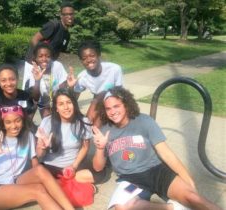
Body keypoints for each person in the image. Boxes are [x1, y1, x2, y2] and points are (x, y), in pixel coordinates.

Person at [92, 86, 222, 210]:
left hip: (156, 171)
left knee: (193, 198)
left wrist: (189, 182)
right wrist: (100, 147)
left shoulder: (144, 121)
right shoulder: (104, 131)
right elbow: (98, 167)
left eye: (116, 106)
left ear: (125, 104)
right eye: (108, 108)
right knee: (122, 207)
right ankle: (173, 208)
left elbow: (166, 154)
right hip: (130, 178)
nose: (113, 111)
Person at [0, 104, 74, 210]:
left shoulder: (28, 136)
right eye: (8, 122)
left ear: (23, 121)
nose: (14, 126)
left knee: (41, 171)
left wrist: (42, 148)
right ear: (2, 124)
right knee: (38, 191)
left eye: (17, 121)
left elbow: (36, 168)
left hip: (15, 181)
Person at [35, 88, 100, 184]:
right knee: (40, 176)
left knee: (100, 175)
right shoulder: (47, 122)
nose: (66, 107)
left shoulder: (84, 122)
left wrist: (74, 166)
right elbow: (38, 155)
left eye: (69, 102)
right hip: (50, 167)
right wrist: (42, 148)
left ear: (74, 104)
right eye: (61, 104)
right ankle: (64, 182)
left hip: (74, 166)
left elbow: (85, 147)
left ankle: (61, 183)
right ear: (56, 108)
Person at [0, 64, 38, 148]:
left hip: (11, 136)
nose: (8, 83)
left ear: (17, 79)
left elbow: (28, 119)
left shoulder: (24, 95)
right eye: (3, 80)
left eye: (12, 79)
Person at [67, 40, 124, 127]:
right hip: (97, 101)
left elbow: (119, 92)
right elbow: (73, 98)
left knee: (94, 124)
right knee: (89, 123)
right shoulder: (82, 76)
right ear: (81, 60)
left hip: (114, 99)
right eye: (84, 58)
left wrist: (99, 100)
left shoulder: (114, 69)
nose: (88, 60)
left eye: (92, 56)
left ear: (98, 55)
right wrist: (71, 87)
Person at [22, 43, 68, 118]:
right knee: (43, 120)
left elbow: (63, 87)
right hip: (41, 102)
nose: (44, 59)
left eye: (48, 56)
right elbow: (35, 98)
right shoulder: (34, 71)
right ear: (35, 58)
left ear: (51, 57)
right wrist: (37, 80)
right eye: (40, 56)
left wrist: (57, 103)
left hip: (56, 99)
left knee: (59, 119)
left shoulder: (57, 66)